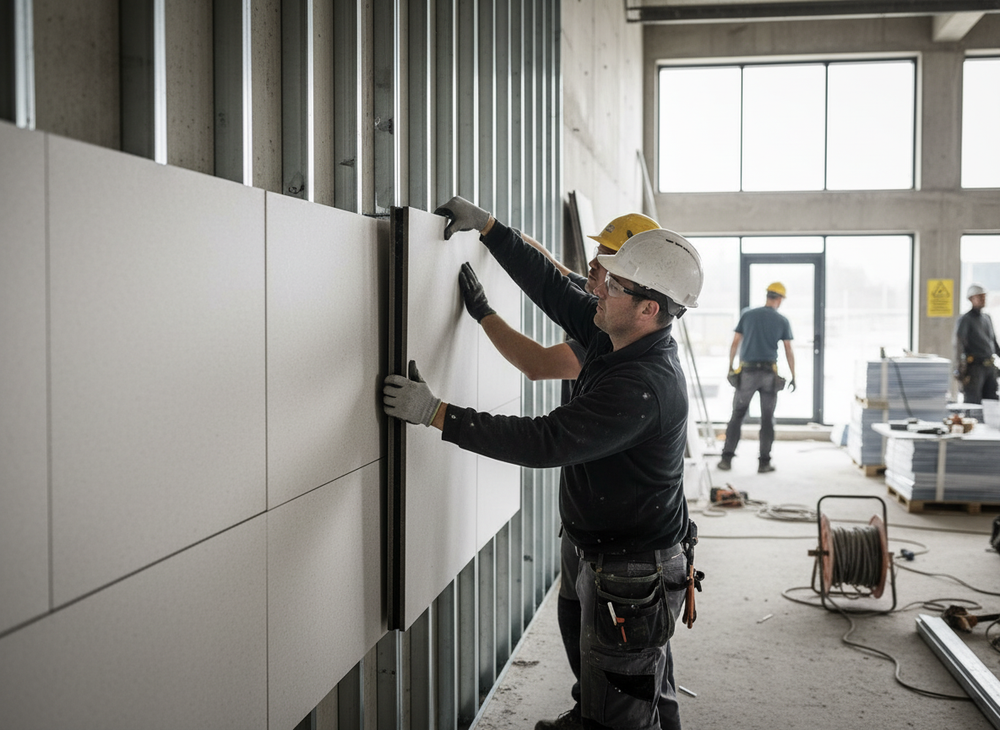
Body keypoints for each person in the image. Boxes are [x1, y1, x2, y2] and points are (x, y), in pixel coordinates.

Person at [383, 196, 704, 730]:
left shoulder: (644, 387)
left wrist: (436, 412)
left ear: (651, 308)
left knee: (620, 703)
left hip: (631, 572)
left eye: (613, 283)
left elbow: (543, 443)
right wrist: (489, 227)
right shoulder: (615, 331)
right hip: (597, 551)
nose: (596, 285)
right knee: (631, 682)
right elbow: (554, 287)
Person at [456, 213, 661, 726]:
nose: (591, 273)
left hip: (627, 545)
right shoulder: (608, 311)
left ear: (642, 295)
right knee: (584, 624)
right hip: (591, 525)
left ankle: (601, 715)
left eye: (605, 269)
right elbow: (549, 275)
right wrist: (491, 227)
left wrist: (482, 315)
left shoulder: (625, 358)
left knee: (635, 675)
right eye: (595, 264)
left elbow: (540, 378)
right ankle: (589, 705)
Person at [718, 282, 795, 473]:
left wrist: (730, 367)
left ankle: (726, 459)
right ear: (780, 299)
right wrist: (794, 375)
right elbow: (788, 349)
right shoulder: (782, 320)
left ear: (768, 295)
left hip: (747, 374)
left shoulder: (748, 314)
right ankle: (764, 462)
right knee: (767, 419)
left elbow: (735, 342)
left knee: (737, 415)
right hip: (769, 374)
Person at [953, 283, 999, 404]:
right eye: (980, 297)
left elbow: (993, 342)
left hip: (989, 366)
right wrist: (960, 369)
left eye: (984, 297)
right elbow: (959, 345)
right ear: (971, 299)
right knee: (973, 401)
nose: (983, 300)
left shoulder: (986, 318)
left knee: (992, 400)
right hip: (974, 368)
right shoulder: (965, 319)